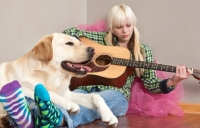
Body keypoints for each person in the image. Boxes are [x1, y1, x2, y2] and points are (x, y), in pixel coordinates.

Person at [1, 4, 192, 128]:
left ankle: (56, 120)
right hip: (85, 88)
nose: (124, 31)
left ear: (133, 24)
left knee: (98, 103)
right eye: (119, 27)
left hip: (116, 96)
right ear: (111, 27)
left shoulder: (143, 51)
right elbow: (69, 34)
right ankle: (32, 116)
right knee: (75, 100)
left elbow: (151, 84)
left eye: (128, 25)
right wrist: (87, 50)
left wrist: (174, 80)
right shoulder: (99, 39)